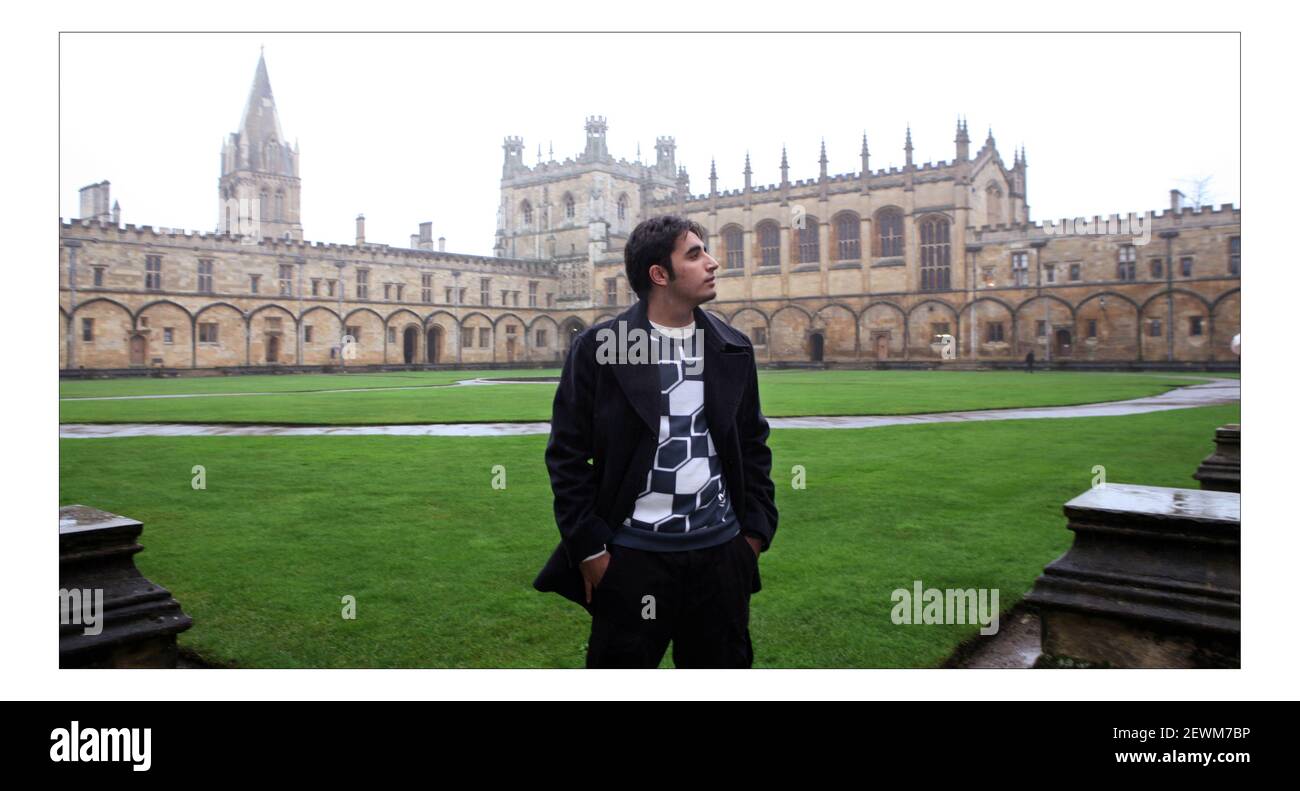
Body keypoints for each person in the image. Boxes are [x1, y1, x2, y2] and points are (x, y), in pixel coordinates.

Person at [533, 214, 779, 668]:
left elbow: (752, 445)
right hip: (633, 560)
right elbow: (566, 456)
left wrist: (753, 536)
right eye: (695, 254)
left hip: (721, 555)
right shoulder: (600, 347)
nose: (713, 262)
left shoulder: (732, 346)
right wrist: (590, 550)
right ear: (659, 275)